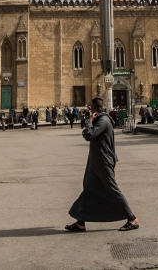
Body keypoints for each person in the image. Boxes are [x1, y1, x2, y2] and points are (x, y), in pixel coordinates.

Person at [66, 97, 139, 233]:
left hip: (104, 161)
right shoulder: (101, 119)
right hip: (97, 161)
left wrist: (89, 122)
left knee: (112, 188)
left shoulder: (103, 121)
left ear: (93, 108)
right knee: (89, 188)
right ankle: (81, 221)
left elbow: (89, 135)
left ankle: (132, 218)